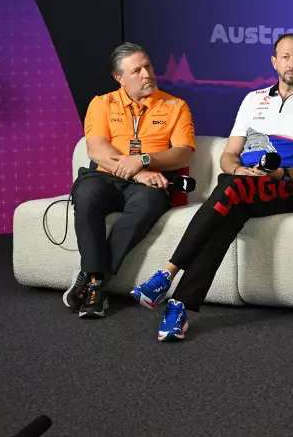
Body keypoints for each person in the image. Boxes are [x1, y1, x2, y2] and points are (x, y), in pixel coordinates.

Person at [129, 33, 293, 341]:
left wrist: (279, 173)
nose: (291, 63)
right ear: (273, 61)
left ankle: (167, 273)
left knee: (231, 192)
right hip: (243, 184)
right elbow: (228, 156)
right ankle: (179, 306)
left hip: (289, 186)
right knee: (229, 210)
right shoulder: (253, 99)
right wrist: (239, 169)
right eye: (284, 56)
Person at [65, 42, 196, 319]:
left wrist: (145, 160)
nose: (147, 74)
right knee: (86, 195)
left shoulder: (175, 106)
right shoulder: (102, 103)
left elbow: (182, 153)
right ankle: (96, 282)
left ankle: (92, 281)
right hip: (107, 178)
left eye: (148, 66)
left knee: (149, 203)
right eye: (136, 70)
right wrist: (136, 169)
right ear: (119, 78)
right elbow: (97, 149)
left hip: (148, 184)